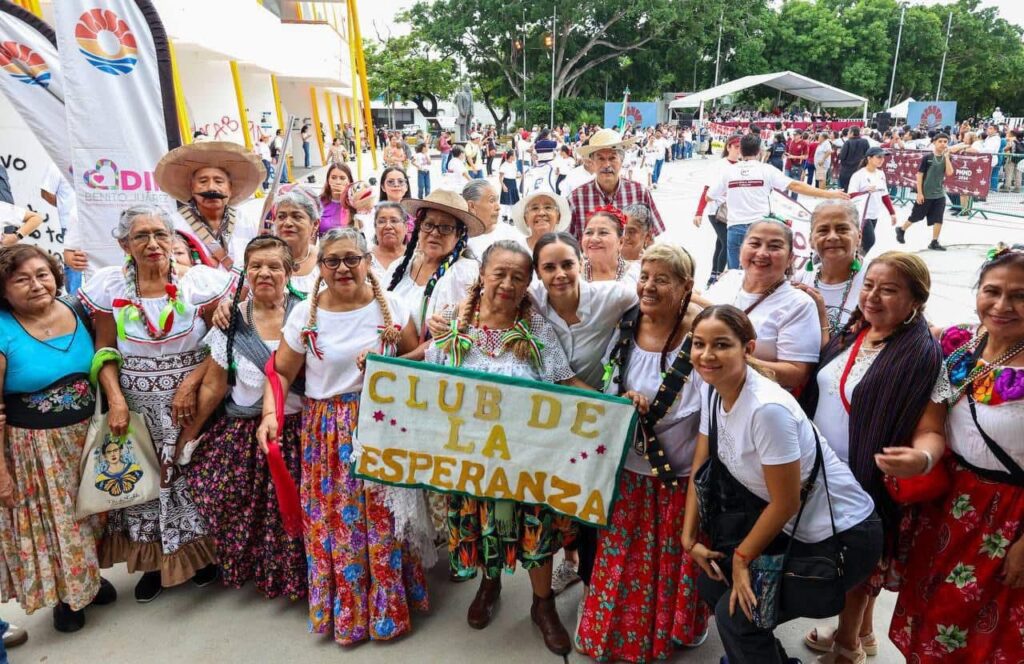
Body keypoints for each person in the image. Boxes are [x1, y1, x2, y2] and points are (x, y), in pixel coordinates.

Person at [257, 227, 429, 645]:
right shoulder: (306, 315)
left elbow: (419, 354)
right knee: (336, 524)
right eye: (332, 261)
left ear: (368, 260)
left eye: (352, 258)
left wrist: (384, 365)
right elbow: (280, 371)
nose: (343, 269)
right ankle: (349, 614)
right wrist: (269, 414)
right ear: (320, 267)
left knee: (383, 520)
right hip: (327, 431)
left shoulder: (393, 306)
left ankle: (388, 610)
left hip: (381, 423)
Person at [682, 305, 881, 664]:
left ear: (749, 348)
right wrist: (688, 536)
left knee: (738, 619)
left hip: (841, 538)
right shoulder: (714, 389)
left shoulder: (766, 409)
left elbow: (785, 502)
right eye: (699, 344)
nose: (707, 355)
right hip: (791, 530)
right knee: (713, 584)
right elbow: (701, 465)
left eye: (722, 345)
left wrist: (743, 559)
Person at [427, 240, 582, 656]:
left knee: (537, 532)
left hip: (526, 462)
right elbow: (426, 386)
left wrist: (616, 406)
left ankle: (542, 604)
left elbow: (563, 383)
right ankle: (489, 585)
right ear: (482, 274)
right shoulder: (451, 325)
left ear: (529, 282)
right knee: (482, 526)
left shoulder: (536, 330)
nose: (507, 283)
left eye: (518, 276)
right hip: (472, 461)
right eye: (499, 273)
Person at [800, 252, 948, 664]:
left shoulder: (922, 355)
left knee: (859, 562)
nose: (873, 296)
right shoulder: (856, 331)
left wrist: (920, 458)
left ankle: (847, 647)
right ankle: (862, 632)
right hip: (825, 470)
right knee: (849, 560)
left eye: (889, 290)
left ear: (916, 300)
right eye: (869, 285)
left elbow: (931, 428)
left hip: (865, 480)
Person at [80, 205, 231, 602]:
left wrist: (191, 383)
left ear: (173, 239)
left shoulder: (198, 283)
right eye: (140, 236)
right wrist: (116, 401)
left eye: (160, 234)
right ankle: (152, 564)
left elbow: (220, 342)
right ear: (123, 244)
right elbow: (105, 349)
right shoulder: (109, 287)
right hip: (135, 401)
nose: (152, 244)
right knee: (144, 485)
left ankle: (201, 559)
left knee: (190, 475)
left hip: (190, 400)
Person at [890, 244, 1024, 662]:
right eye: (992, 291)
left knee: (987, 630)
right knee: (931, 614)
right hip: (946, 505)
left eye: (1020, 295)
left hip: (1008, 519)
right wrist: (921, 459)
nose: (1002, 305)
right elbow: (933, 423)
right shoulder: (962, 347)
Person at [576, 244, 710, 661]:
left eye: (662, 279)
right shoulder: (626, 321)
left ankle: (672, 630)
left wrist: (697, 491)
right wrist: (621, 399)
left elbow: (708, 420)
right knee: (623, 559)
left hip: (679, 475)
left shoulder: (702, 336)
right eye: (645, 277)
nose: (649, 287)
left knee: (671, 560)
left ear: (686, 286)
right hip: (628, 471)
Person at [178, 237, 306, 601]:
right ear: (245, 272)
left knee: (296, 508)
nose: (264, 273)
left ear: (290, 272)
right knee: (250, 511)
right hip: (245, 432)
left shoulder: (308, 313)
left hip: (298, 431)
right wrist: (188, 435)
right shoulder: (232, 320)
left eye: (274, 267)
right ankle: (266, 573)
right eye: (256, 267)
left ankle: (301, 575)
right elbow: (216, 386)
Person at [0, 246, 116, 632]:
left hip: (87, 435)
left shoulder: (77, 310)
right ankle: (69, 597)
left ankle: (90, 580)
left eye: (42, 274)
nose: (36, 285)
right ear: (4, 289)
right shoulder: (2, 329)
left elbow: (104, 354)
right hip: (35, 446)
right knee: (58, 522)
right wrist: (1, 474)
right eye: (22, 279)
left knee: (94, 514)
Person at [706, 219, 821, 391]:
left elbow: (796, 374)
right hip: (707, 396)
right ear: (740, 249)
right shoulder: (729, 279)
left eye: (774, 247)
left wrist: (737, 360)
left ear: (790, 258)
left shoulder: (799, 304)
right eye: (754, 243)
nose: (762, 253)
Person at [710, 134, 849, 270]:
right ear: (759, 151)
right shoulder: (766, 170)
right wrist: (828, 194)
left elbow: (710, 196)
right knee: (760, 271)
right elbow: (796, 186)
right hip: (759, 228)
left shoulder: (728, 172)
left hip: (735, 227)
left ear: (740, 150)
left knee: (735, 274)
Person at [385, 190, 484, 342]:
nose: (435, 233)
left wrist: (405, 360)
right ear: (419, 228)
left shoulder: (463, 274)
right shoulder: (399, 267)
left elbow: (450, 335)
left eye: (445, 228)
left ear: (459, 235)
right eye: (428, 225)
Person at [155, 141, 266, 271]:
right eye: (203, 181)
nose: (211, 188)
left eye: (219, 181)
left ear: (230, 189)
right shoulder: (174, 225)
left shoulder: (247, 223)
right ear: (191, 188)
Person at [568, 129, 665, 240]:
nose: (607, 164)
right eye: (600, 158)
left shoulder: (640, 192)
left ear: (622, 160)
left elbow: (651, 237)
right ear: (592, 162)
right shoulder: (576, 198)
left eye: (612, 158)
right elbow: (568, 245)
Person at [792, 202, 866, 345]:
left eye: (842, 229)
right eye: (823, 230)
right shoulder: (799, 281)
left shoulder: (875, 280)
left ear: (859, 236)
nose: (832, 237)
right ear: (811, 240)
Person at [693, 134, 742, 285]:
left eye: (741, 148)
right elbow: (707, 189)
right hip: (717, 211)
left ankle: (713, 277)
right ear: (728, 147)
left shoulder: (742, 166)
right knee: (728, 244)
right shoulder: (718, 166)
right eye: (736, 147)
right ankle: (720, 279)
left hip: (733, 212)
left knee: (721, 244)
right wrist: (699, 212)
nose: (739, 150)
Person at [895, 133, 953, 252]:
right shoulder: (927, 157)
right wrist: (920, 193)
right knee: (917, 216)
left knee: (938, 218)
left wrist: (947, 157)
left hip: (939, 194)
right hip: (926, 193)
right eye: (940, 141)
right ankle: (901, 229)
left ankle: (934, 241)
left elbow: (949, 173)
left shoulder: (946, 157)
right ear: (934, 142)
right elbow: (920, 175)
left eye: (945, 142)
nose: (943, 144)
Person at [846, 147, 897, 256]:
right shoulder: (858, 175)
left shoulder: (880, 174)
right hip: (862, 214)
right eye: (878, 157)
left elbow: (884, 194)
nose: (881, 160)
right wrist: (864, 191)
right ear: (869, 158)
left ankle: (854, 260)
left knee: (863, 241)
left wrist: (892, 213)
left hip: (874, 213)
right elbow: (850, 195)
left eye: (883, 157)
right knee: (870, 240)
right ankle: (857, 261)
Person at [271, 189, 320, 295]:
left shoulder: (326, 261)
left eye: (297, 217)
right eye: (281, 217)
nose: (287, 223)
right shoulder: (262, 259)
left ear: (315, 224)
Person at [464, 180, 526, 257]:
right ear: (472, 206)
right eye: (492, 201)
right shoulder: (458, 241)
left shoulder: (512, 235)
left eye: (497, 200)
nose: (498, 207)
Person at [581, 208, 635, 285]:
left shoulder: (634, 273)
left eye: (603, 232)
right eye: (589, 232)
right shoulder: (574, 273)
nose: (594, 239)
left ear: (620, 242)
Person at [370, 202, 408, 277]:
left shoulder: (415, 259)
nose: (388, 226)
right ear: (375, 227)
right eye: (381, 222)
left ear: (406, 227)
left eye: (394, 221)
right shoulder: (365, 258)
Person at [318, 163, 356, 236]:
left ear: (349, 182)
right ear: (328, 180)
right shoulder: (319, 202)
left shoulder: (355, 203)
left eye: (342, 178)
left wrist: (346, 198)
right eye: (333, 177)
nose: (337, 182)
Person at [838, 126, 870, 191]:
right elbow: (868, 155)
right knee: (859, 191)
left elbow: (842, 156)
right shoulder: (865, 142)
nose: (847, 134)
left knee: (845, 191)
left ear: (852, 133)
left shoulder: (848, 142)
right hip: (860, 170)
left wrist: (838, 154)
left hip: (847, 171)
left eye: (848, 132)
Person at [499, 150, 520, 220]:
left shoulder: (514, 164)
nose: (515, 157)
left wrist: (520, 175)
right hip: (507, 183)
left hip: (513, 183)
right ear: (511, 156)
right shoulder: (504, 165)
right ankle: (510, 217)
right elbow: (500, 177)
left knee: (512, 201)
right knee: (509, 201)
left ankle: (505, 215)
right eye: (514, 155)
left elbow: (515, 175)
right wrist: (503, 186)